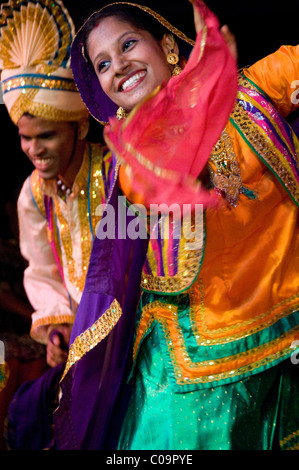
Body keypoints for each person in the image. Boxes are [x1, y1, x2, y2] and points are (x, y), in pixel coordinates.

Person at [54, 1, 299, 450]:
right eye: (103, 64)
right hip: (194, 360)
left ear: (167, 44)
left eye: (128, 44)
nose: (119, 66)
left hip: (288, 332)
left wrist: (222, 83)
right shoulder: (131, 166)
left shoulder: (251, 91)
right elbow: (164, 176)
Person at [0, 0, 112, 449]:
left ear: (79, 128)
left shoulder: (118, 173)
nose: (32, 148)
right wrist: (56, 330)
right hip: (79, 340)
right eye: (25, 137)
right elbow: (41, 271)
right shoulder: (32, 194)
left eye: (45, 135)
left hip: (135, 328)